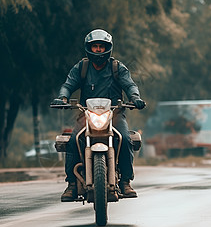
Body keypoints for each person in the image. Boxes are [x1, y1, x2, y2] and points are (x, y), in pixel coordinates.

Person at [51, 29, 146, 202]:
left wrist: (135, 98)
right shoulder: (82, 67)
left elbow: (130, 85)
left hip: (114, 114)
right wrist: (62, 97)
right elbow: (68, 84)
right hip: (86, 115)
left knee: (125, 138)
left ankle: (125, 181)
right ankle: (72, 184)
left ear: (108, 48)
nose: (98, 50)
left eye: (101, 47)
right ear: (89, 48)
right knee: (73, 140)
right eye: (95, 47)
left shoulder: (118, 68)